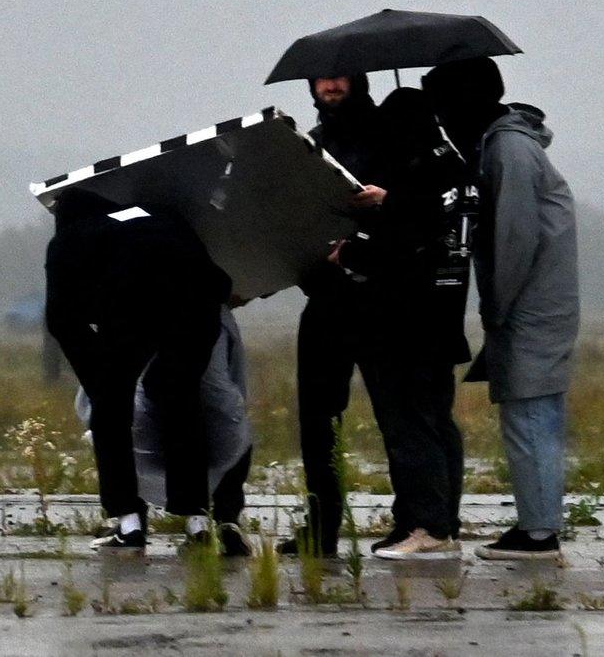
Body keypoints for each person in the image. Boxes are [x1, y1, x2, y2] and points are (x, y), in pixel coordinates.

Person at [423, 56, 579, 561]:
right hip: (540, 305)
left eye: (443, 106)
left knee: (530, 418)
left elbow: (514, 239)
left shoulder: (508, 150)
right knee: (536, 417)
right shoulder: (508, 144)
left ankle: (537, 534)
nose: (441, 120)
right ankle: (538, 525)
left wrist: (497, 308)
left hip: (529, 308)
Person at [44, 193, 231, 551]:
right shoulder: (160, 215)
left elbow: (61, 320)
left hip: (129, 308)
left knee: (110, 414)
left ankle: (129, 524)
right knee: (181, 401)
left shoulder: (69, 239)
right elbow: (218, 284)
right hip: (196, 305)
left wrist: (98, 383)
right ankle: (197, 522)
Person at [337, 87, 473, 560]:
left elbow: (404, 242)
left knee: (408, 424)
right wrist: (389, 198)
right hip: (443, 318)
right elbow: (432, 220)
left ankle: (426, 525)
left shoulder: (417, 172)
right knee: (437, 422)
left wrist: (349, 251)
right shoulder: (455, 166)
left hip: (402, 323)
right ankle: (442, 522)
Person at [279, 73, 390, 558]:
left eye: (339, 77)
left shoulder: (387, 133)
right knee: (317, 420)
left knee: (397, 414)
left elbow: (406, 205)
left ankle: (417, 523)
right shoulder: (313, 143)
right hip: (326, 297)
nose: (330, 86)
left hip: (381, 295)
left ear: (358, 81)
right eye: (322, 79)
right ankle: (322, 528)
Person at [77, 302, 256, 557]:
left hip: (143, 316)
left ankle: (131, 520)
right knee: (222, 410)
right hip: (202, 314)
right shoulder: (214, 310)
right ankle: (219, 519)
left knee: (117, 407)